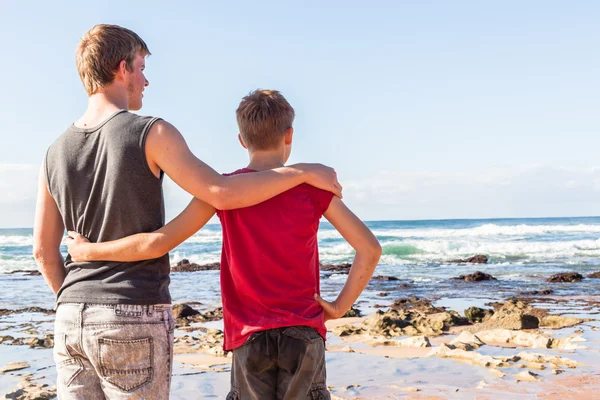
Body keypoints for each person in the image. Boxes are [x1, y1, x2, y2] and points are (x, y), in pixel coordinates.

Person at [32, 24, 341, 400]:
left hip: (69, 317)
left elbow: (43, 253)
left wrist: (76, 298)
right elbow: (221, 193)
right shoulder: (151, 132)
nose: (145, 80)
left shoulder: (53, 151)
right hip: (131, 311)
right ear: (121, 68)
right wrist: (305, 171)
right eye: (141, 67)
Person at [66, 89, 381, 399]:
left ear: (242, 140)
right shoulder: (312, 189)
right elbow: (369, 249)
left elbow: (158, 243)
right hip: (304, 333)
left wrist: (87, 251)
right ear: (289, 136)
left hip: (249, 337)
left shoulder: (224, 192)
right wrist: (339, 307)